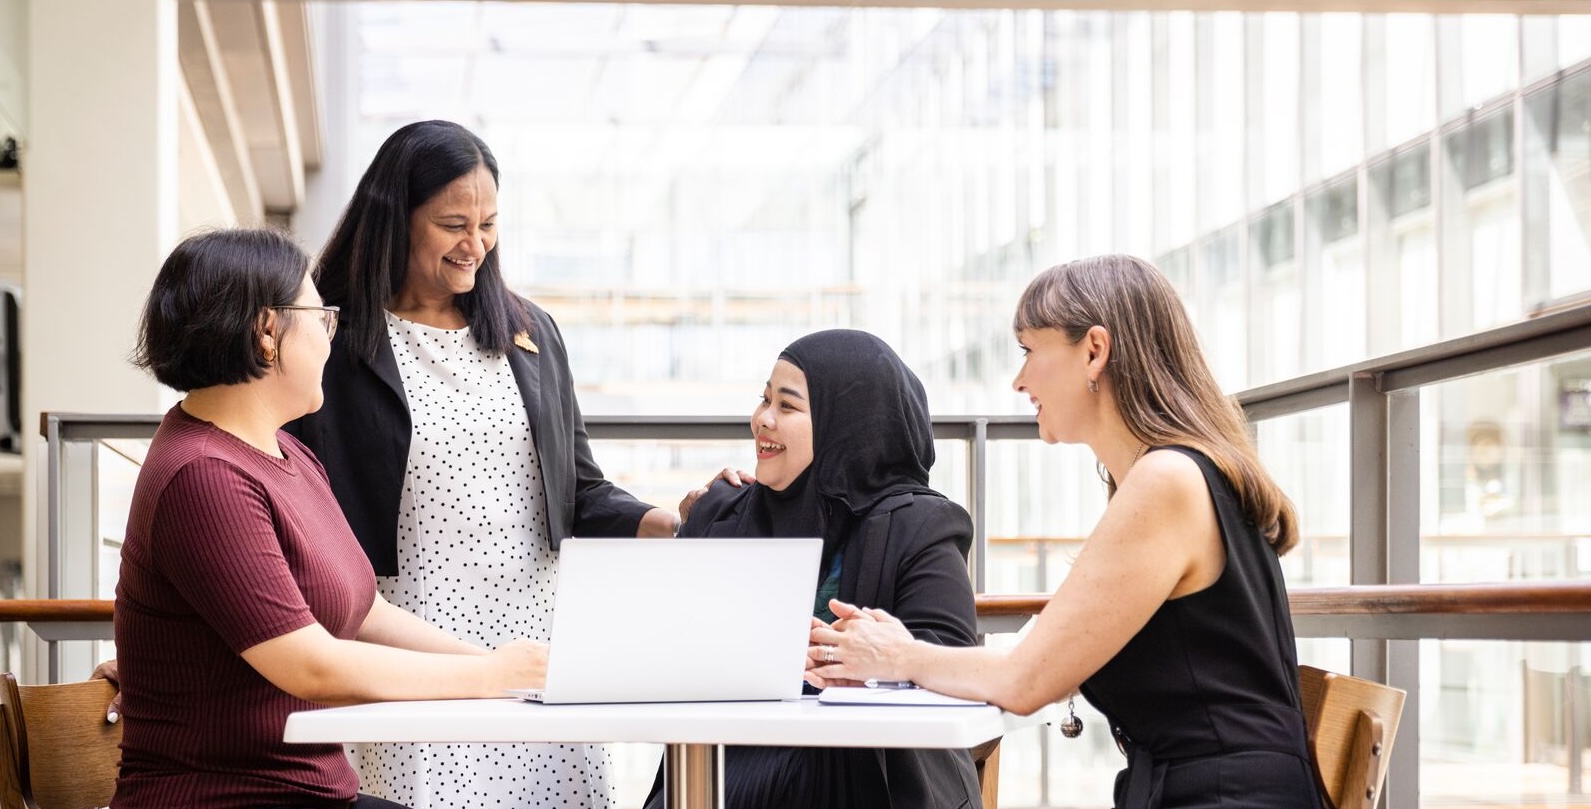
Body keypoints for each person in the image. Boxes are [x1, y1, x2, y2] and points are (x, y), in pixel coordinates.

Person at [809, 255, 1318, 809]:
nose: (1019, 379)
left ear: (1094, 350)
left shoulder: (1167, 481)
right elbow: (1043, 659)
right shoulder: (1177, 475)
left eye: (1029, 349)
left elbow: (1025, 682)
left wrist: (899, 656)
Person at [285, 119, 675, 809]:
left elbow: (576, 488)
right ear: (394, 220)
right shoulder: (333, 342)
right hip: (408, 639)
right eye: (452, 223)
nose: (476, 244)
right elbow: (281, 492)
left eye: (489, 223)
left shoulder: (530, 333)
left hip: (534, 640)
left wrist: (664, 521)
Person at [113, 229, 548, 809]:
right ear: (268, 330)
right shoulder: (204, 476)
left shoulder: (285, 454)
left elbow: (366, 611)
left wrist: (503, 666)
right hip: (228, 798)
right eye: (323, 319)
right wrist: (490, 679)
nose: (330, 339)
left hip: (309, 793)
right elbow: (310, 666)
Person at [644, 328, 983, 809]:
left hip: (868, 778)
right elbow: (663, 653)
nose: (762, 420)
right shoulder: (722, 512)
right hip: (726, 773)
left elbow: (947, 658)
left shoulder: (920, 525)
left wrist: (865, 661)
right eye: (763, 401)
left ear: (847, 422)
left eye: (787, 406)